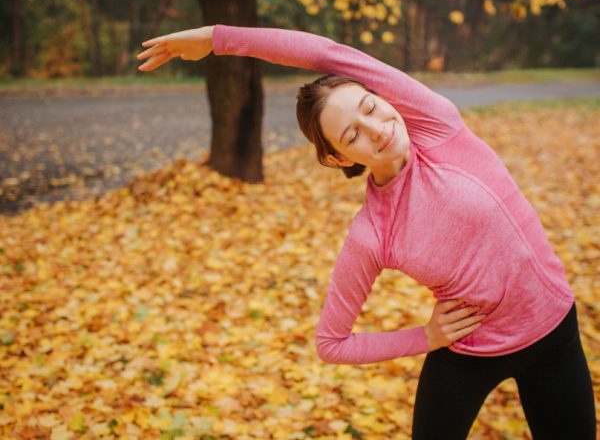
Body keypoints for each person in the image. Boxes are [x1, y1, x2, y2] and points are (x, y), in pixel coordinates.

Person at [136, 25, 596, 439]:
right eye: (352, 135)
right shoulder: (372, 234)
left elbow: (325, 52)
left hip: (554, 332)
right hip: (468, 352)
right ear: (339, 158)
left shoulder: (437, 126)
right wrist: (425, 337)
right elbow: (331, 344)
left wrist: (216, 38)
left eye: (371, 107)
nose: (376, 130)